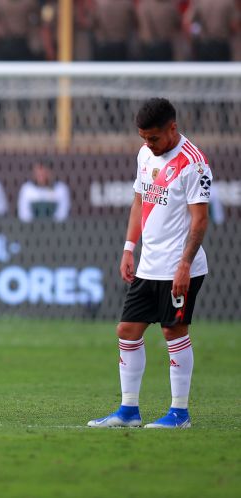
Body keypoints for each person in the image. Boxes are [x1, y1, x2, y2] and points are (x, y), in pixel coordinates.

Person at [88, 98, 212, 429]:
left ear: (172, 128)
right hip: (148, 264)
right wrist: (129, 248)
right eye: (143, 138)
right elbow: (140, 200)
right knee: (127, 331)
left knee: (174, 331)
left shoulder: (194, 164)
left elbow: (199, 221)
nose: (148, 144)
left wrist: (184, 264)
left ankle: (179, 413)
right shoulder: (145, 155)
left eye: (153, 138)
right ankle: (129, 411)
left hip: (179, 268)